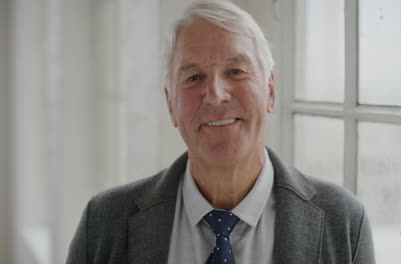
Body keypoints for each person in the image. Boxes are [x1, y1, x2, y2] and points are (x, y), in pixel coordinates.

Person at [66, 1, 375, 263]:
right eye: (193, 77)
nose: (215, 95)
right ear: (171, 105)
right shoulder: (104, 222)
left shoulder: (343, 221)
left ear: (269, 91)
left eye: (236, 72)